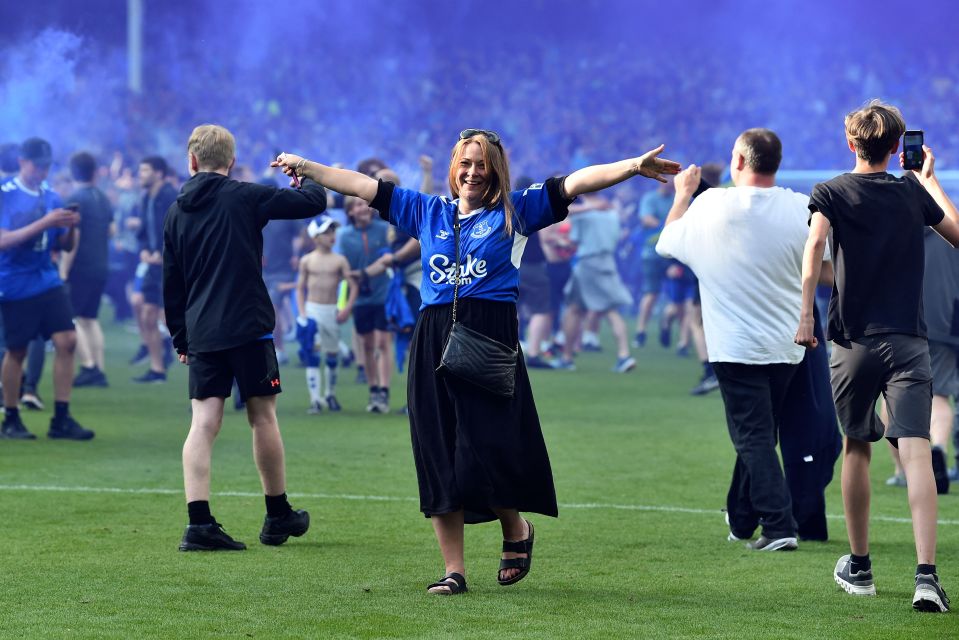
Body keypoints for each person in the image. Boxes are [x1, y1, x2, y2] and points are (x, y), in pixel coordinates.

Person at [272, 130, 679, 594]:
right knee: (438, 451)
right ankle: (454, 570)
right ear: (453, 167)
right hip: (433, 339)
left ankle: (516, 529)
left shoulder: (516, 211)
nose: (471, 172)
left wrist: (631, 165)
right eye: (464, 163)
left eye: (481, 164)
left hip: (488, 338)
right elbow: (360, 185)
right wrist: (307, 167)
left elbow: (575, 184)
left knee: (487, 449)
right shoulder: (428, 212)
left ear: (495, 170)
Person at [795, 100, 959, 612]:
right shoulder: (913, 192)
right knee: (916, 453)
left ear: (851, 144)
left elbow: (815, 246)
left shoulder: (831, 191)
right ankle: (926, 577)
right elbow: (956, 234)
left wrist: (805, 314)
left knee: (857, 448)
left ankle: (861, 567)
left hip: (852, 341)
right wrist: (929, 180)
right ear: (897, 148)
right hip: (908, 339)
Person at [657, 129, 827, 552]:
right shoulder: (800, 206)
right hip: (788, 343)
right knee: (760, 432)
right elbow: (826, 267)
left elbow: (667, 243)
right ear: (777, 162)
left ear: (737, 161)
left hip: (734, 345)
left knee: (751, 435)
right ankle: (741, 517)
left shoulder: (711, 204)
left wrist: (683, 193)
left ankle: (778, 524)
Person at [163, 124, 326, 551]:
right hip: (248, 326)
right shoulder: (246, 194)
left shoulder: (176, 211)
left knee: (203, 423)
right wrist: (301, 173)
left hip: (202, 330)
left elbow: (172, 282)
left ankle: (198, 524)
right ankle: (277, 515)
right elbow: (315, 202)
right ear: (231, 162)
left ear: (192, 161)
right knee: (263, 416)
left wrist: (181, 338)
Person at [0, 137, 94, 441]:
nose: (42, 171)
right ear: (22, 162)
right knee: (17, 350)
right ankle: (11, 417)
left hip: (46, 279)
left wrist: (70, 226)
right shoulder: (6, 195)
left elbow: (63, 245)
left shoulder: (52, 196)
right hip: (15, 282)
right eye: (38, 165)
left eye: (47, 165)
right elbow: (3, 240)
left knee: (67, 340)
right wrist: (46, 222)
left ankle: (61, 418)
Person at [555, 193, 635, 372]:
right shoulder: (612, 213)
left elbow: (572, 232)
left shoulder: (583, 214)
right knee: (582, 308)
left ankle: (623, 356)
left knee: (586, 310)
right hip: (607, 260)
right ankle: (568, 357)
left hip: (589, 262)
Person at [295, 213, 357, 413]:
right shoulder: (307, 260)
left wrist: (346, 307)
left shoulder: (339, 260)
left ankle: (330, 394)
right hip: (313, 310)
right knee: (313, 356)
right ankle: (315, 399)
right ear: (315, 237)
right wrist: (303, 312)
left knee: (332, 355)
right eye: (327, 232)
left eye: (333, 231)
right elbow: (300, 287)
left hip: (331, 311)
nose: (332, 235)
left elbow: (352, 285)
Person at [62, 152, 114, 388]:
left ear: (73, 171)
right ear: (94, 172)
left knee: (73, 316)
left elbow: (75, 237)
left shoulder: (75, 198)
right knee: (90, 318)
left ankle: (89, 366)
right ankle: (99, 369)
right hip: (102, 264)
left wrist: (63, 270)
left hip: (82, 267)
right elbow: (111, 231)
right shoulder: (103, 198)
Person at [338, 196, 393, 413]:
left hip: (383, 294)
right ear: (350, 211)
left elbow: (390, 257)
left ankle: (384, 391)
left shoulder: (383, 229)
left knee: (382, 343)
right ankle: (373, 390)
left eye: (366, 204)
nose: (364, 208)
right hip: (360, 297)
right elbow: (343, 267)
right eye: (358, 205)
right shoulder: (344, 236)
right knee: (368, 345)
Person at [132, 156, 177, 383]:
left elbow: (178, 229)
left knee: (169, 319)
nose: (141, 174)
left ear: (158, 173)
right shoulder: (145, 197)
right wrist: (144, 251)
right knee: (147, 315)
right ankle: (157, 368)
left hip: (170, 267)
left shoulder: (171, 196)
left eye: (145, 170)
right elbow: (143, 231)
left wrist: (164, 253)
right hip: (152, 266)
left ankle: (190, 360)